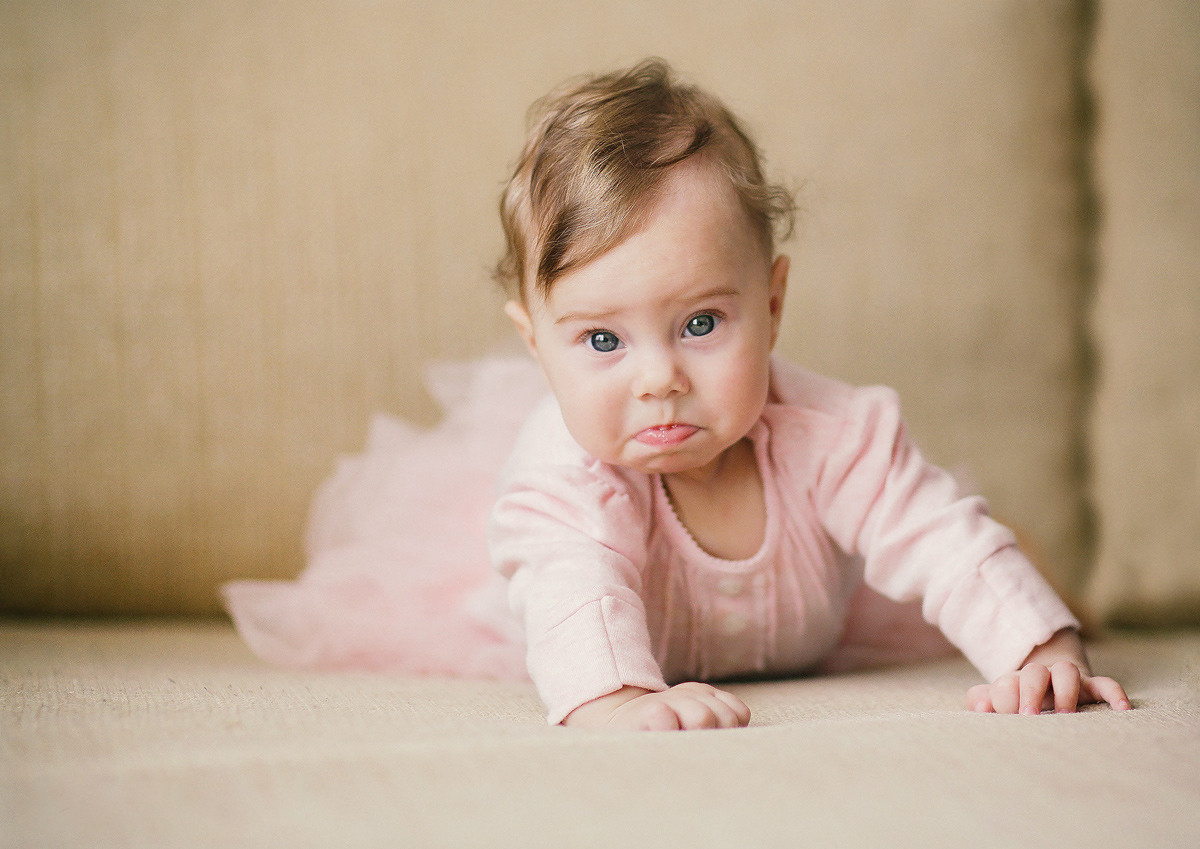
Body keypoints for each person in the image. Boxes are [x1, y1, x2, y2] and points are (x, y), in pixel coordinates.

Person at [486, 58, 1132, 730]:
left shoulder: (830, 433)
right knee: (548, 584)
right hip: (593, 629)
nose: (658, 379)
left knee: (984, 558)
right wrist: (616, 699)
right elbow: (570, 585)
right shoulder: (568, 477)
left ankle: (1043, 590)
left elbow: (937, 534)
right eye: (601, 340)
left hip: (817, 625)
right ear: (536, 344)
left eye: (699, 323)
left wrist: (1041, 650)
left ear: (772, 303)